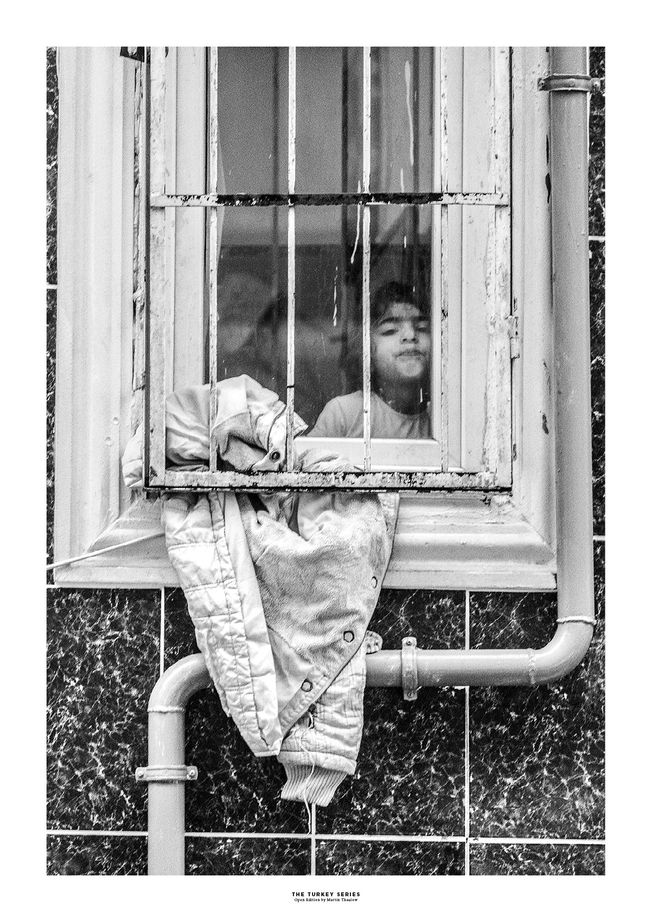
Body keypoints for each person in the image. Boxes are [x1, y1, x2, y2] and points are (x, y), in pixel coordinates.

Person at [309, 281, 431, 439]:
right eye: (390, 331)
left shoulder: (445, 420)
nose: (410, 335)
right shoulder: (345, 414)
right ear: (367, 352)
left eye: (422, 328)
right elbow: (309, 461)